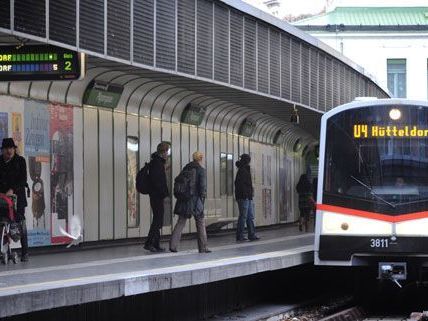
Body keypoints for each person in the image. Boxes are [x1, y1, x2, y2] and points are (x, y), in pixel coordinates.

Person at [170, 151, 210, 253]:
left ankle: (173, 245)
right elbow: (203, 188)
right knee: (200, 222)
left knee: (180, 222)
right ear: (201, 158)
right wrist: (202, 199)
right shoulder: (201, 170)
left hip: (183, 199)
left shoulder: (186, 168)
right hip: (196, 200)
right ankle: (203, 247)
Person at [0, 138, 29, 261]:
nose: (9, 151)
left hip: (17, 198)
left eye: (11, 148)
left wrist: (12, 190)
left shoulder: (20, 161)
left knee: (20, 223)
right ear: (3, 150)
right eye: (6, 148)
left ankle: (25, 252)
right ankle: (4, 249)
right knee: (2, 223)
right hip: (2, 198)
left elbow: (23, 180)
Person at [144, 142, 170, 253]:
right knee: (157, 220)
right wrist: (163, 193)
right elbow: (157, 181)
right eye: (167, 152)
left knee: (157, 219)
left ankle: (156, 244)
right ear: (163, 152)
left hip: (156, 195)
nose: (167, 154)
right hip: (156, 196)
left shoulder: (158, 163)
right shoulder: (157, 163)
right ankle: (149, 243)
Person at [235, 154, 259, 242]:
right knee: (243, 216)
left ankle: (251, 234)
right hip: (243, 197)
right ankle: (240, 235)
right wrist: (246, 195)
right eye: (249, 160)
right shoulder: (242, 170)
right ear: (247, 160)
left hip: (247, 197)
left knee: (250, 216)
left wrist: (250, 195)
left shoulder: (245, 169)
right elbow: (240, 185)